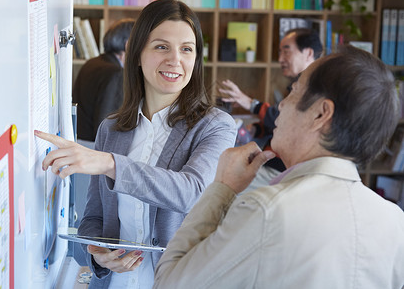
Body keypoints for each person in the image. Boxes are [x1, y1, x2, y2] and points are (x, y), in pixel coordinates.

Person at [154, 45, 404, 288]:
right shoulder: (395, 223)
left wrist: (221, 188)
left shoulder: (267, 210)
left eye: (294, 91)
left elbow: (169, 283)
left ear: (321, 114)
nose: (281, 105)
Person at [35, 0, 237, 289]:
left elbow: (191, 192)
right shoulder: (112, 129)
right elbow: (93, 218)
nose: (175, 60)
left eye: (186, 49)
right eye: (161, 46)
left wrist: (109, 163)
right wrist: (98, 255)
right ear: (137, 52)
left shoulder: (215, 125)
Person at [219, 28, 323, 188]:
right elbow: (281, 122)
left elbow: (289, 121)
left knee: (221, 179)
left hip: (282, 169)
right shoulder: (300, 83)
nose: (280, 59)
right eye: (279, 52)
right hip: (271, 162)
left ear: (308, 53)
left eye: (286, 52)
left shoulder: (316, 87)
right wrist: (256, 129)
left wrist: (249, 103)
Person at [73, 18, 135, 142]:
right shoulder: (116, 73)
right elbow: (107, 123)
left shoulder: (92, 62)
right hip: (93, 147)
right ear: (128, 44)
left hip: (78, 139)